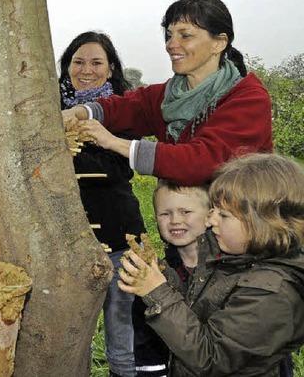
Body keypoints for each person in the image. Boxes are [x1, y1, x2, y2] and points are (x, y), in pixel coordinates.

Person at [119, 153, 304, 376]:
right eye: (212, 210)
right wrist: (162, 275)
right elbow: (197, 308)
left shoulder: (273, 293)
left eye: (223, 216)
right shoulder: (238, 258)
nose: (210, 220)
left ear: (261, 223)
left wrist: (157, 292)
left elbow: (210, 357)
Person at [63, 0, 272, 186]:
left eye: (185, 35)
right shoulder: (168, 95)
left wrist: (114, 142)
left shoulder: (248, 98)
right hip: (187, 220)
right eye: (170, 35)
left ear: (219, 43)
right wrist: (78, 112)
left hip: (243, 220)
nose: (171, 44)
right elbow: (126, 107)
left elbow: (202, 161)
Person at [59, 31, 146, 377]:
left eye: (96, 62)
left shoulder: (124, 112)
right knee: (69, 334)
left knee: (121, 332)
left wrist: (83, 145)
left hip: (118, 233)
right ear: (67, 68)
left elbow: (121, 166)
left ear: (110, 69)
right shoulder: (50, 112)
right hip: (64, 240)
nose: (86, 69)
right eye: (78, 62)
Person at [131, 180, 211, 376]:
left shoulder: (228, 269)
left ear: (210, 216)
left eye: (186, 212)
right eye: (165, 214)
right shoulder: (154, 274)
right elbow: (146, 340)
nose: (175, 220)